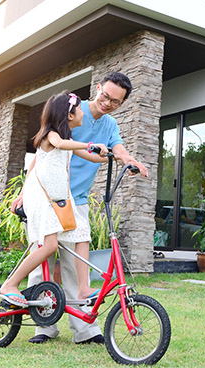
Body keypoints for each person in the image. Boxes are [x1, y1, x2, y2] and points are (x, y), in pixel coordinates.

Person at [11, 72, 148, 345]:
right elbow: (44, 154)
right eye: (105, 96)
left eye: (116, 101)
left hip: (77, 200)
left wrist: (130, 161)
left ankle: (85, 330)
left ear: (122, 104)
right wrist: (25, 192)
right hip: (48, 196)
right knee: (42, 262)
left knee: (76, 264)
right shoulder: (71, 110)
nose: (108, 103)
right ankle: (44, 327)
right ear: (97, 88)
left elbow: (117, 149)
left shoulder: (109, 124)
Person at [0, 91, 109, 309]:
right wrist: (87, 145)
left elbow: (94, 157)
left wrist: (110, 154)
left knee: (81, 235)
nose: (83, 113)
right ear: (69, 115)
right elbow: (61, 144)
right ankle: (10, 284)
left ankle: (84, 288)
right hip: (42, 199)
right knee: (49, 246)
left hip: (58, 200)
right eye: (79, 109)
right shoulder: (51, 136)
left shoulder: (69, 142)